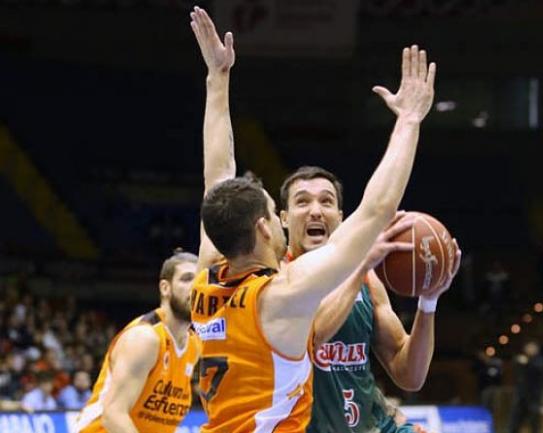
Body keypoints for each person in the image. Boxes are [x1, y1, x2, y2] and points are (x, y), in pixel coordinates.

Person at [188, 6, 437, 432]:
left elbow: (218, 175)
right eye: (276, 209)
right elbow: (376, 210)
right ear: (267, 226)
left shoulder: (206, 277)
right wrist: (409, 121)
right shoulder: (282, 294)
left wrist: (218, 78)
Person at [278, 165, 460, 433]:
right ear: (284, 218)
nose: (315, 210)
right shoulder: (275, 277)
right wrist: (361, 265)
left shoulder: (367, 281)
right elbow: (312, 334)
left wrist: (428, 302)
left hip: (370, 425)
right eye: (302, 201)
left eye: (326, 201)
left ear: (340, 218)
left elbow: (410, 374)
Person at [74, 250, 201, 433]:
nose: (195, 286)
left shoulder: (193, 345)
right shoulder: (145, 338)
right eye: (187, 279)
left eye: (199, 280)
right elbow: (113, 415)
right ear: (165, 288)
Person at [508, 340, 543, 433]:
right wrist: (523, 362)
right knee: (515, 419)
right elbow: (515, 365)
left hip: (533, 396)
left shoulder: (540, 360)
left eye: (533, 347)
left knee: (534, 421)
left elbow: (539, 369)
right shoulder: (520, 359)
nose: (531, 349)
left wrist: (527, 363)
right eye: (529, 347)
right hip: (521, 395)